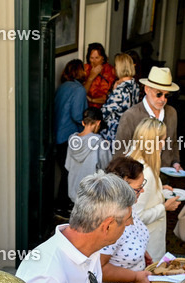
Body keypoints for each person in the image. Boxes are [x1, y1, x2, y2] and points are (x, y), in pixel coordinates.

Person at [127, 118, 180, 283]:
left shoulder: (139, 164)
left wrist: (161, 190)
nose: (164, 143)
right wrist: (164, 207)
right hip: (147, 247)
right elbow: (135, 215)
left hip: (144, 246)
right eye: (162, 140)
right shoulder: (146, 172)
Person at [115, 67, 183, 171]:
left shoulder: (171, 113)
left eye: (167, 95)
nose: (163, 99)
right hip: (139, 177)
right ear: (147, 89)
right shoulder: (130, 115)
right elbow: (120, 153)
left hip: (165, 173)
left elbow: (173, 141)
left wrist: (176, 162)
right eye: (159, 94)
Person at [54, 59, 87, 212]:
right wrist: (88, 129)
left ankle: (61, 205)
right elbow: (77, 115)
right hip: (69, 136)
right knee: (70, 172)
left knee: (65, 171)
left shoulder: (62, 87)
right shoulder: (79, 90)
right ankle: (63, 205)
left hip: (57, 135)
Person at [64, 107, 110, 204]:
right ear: (98, 123)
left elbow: (68, 166)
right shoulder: (100, 142)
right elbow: (107, 168)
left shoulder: (72, 141)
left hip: (74, 193)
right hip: (92, 195)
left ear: (83, 123)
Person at [101, 53, 142, 144]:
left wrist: (113, 91)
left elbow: (105, 112)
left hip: (116, 131)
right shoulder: (135, 85)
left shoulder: (120, 90)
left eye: (115, 66)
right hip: (130, 127)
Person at [84, 42, 117, 107]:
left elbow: (112, 96)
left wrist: (92, 100)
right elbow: (81, 94)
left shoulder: (111, 70)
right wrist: (91, 78)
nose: (94, 61)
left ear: (103, 58)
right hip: (87, 108)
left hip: (105, 107)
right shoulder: (85, 69)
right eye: (91, 58)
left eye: (97, 58)